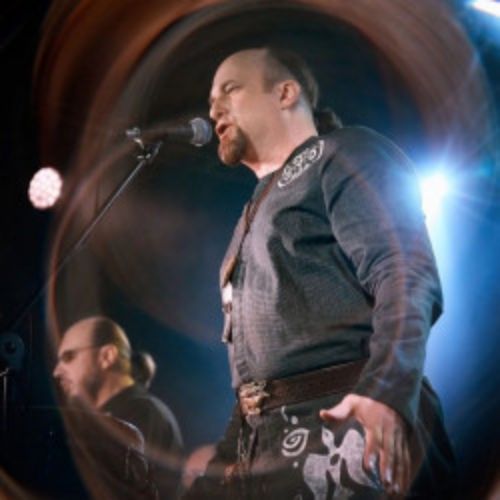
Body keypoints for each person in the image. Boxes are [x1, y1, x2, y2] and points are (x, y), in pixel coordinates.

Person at [185, 47, 455, 499]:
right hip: (265, 446)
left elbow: (404, 272)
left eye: (230, 89)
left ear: (286, 93)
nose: (213, 110)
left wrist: (386, 389)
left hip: (351, 428)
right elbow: (254, 386)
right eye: (211, 100)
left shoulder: (346, 152)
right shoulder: (247, 218)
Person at [53, 316, 183, 498]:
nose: (57, 371)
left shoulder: (144, 412)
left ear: (107, 356)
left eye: (68, 357)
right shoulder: (136, 411)